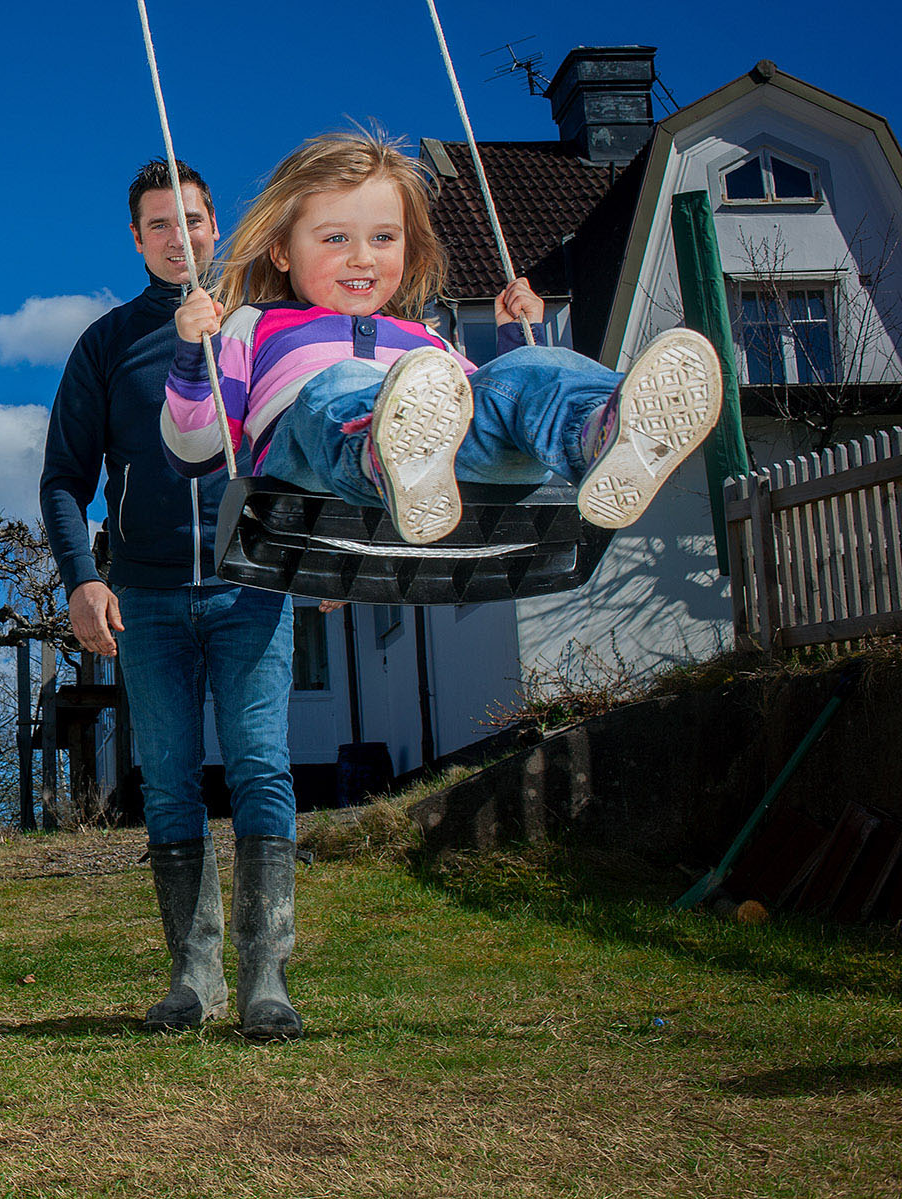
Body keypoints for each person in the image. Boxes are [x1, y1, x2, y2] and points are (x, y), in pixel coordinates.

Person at [40, 160, 305, 1041]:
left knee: (261, 766)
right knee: (168, 784)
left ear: (215, 223)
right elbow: (63, 480)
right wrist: (84, 576)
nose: (177, 238)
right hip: (148, 596)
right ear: (135, 237)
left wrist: (327, 555)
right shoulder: (108, 344)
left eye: (190, 220)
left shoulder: (265, 326)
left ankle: (266, 977)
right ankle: (195, 977)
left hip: (252, 584)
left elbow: (327, 432)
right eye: (158, 224)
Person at [164, 130, 721, 545]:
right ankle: (381, 453)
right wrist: (193, 354)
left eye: (383, 237)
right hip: (311, 464)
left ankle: (599, 432)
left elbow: (488, 401)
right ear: (282, 251)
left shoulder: (424, 339)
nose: (363, 257)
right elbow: (199, 450)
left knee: (533, 366)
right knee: (337, 384)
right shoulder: (254, 324)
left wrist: (512, 344)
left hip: (456, 467)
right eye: (336, 238)